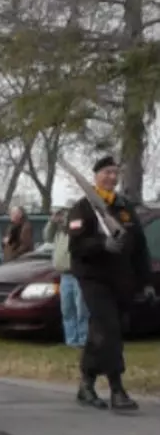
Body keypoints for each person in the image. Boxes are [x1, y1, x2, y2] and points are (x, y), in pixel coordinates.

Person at [67, 155, 153, 411]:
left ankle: (86, 384)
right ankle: (117, 389)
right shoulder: (83, 208)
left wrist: (145, 281)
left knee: (100, 332)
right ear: (96, 176)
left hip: (121, 279)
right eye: (107, 173)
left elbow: (140, 249)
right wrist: (101, 244)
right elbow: (76, 246)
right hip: (93, 279)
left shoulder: (124, 207)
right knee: (110, 329)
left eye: (115, 173)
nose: (112, 178)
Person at [44, 207, 88, 348]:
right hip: (64, 276)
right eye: (59, 214)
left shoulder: (75, 229)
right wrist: (52, 221)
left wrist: (68, 222)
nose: (60, 217)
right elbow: (47, 237)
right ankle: (71, 341)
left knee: (81, 309)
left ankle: (83, 340)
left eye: (63, 214)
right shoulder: (58, 232)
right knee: (67, 309)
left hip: (78, 274)